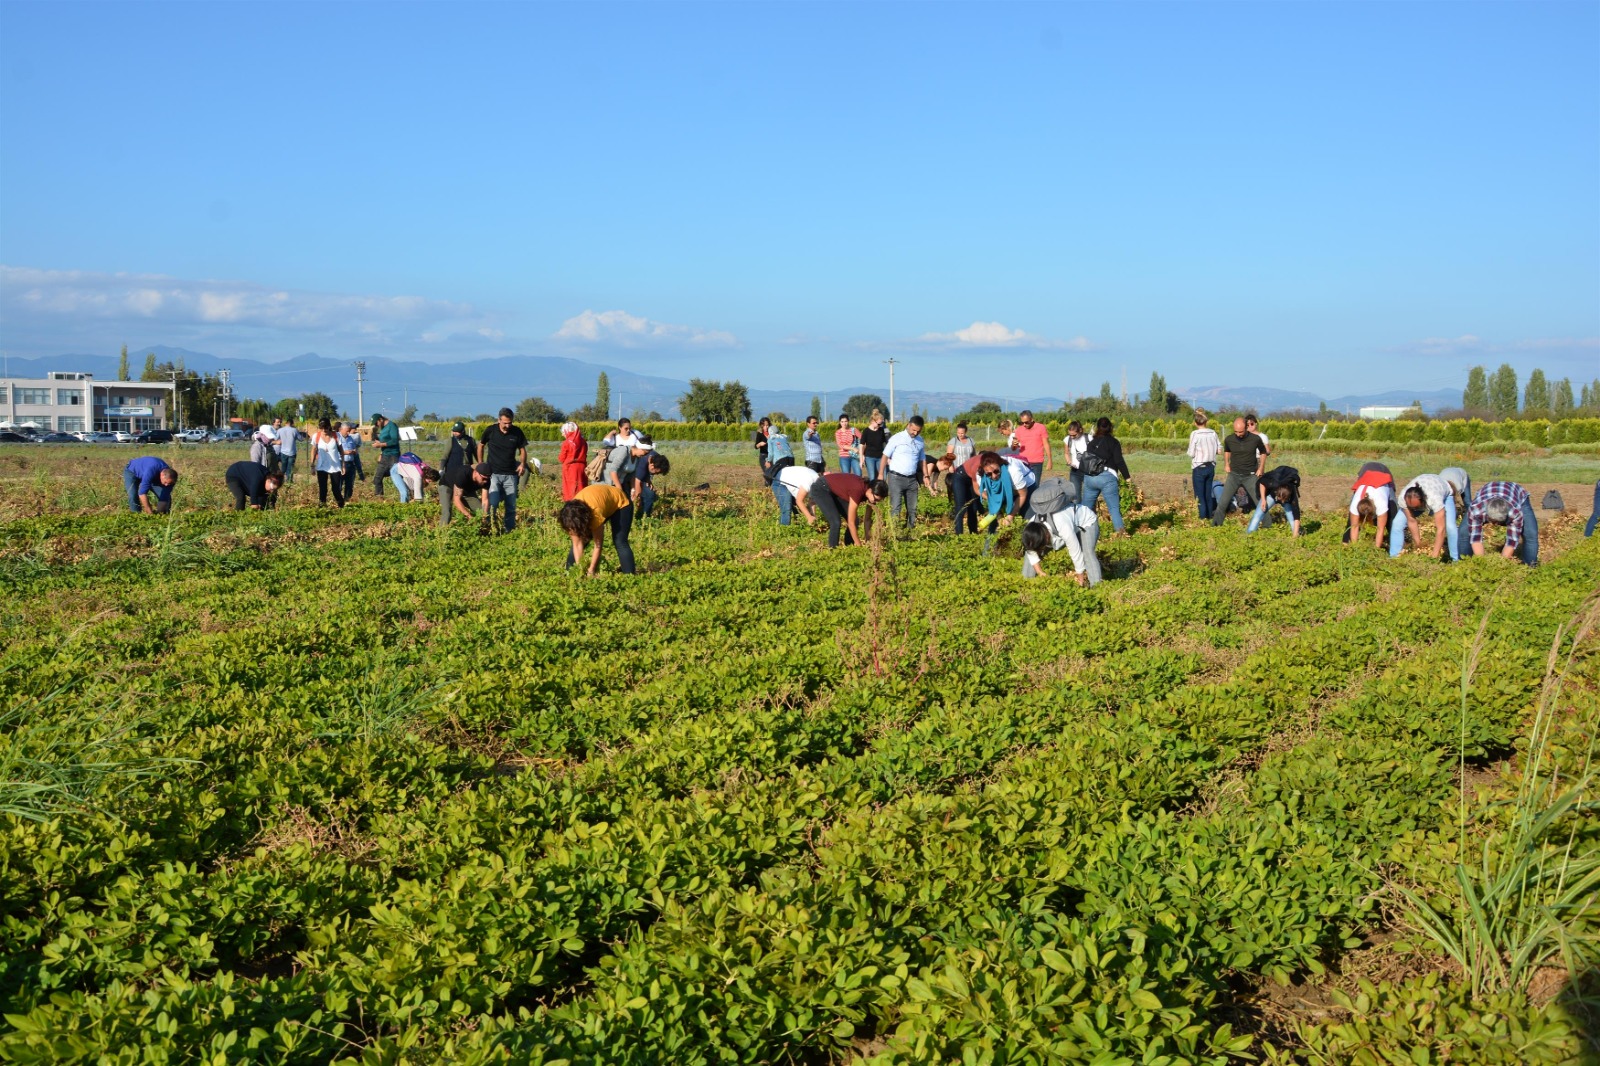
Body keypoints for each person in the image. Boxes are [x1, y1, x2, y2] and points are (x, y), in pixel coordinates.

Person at [558, 483, 635, 576]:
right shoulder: (569, 516)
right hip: (600, 501)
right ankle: (570, 574)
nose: (572, 531)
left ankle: (630, 576)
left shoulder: (595, 514)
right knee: (582, 539)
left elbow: (598, 545)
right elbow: (577, 545)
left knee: (620, 541)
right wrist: (580, 569)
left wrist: (591, 570)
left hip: (621, 503)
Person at [1021, 503, 1102, 586]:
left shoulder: (1061, 523)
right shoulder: (1031, 527)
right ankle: (1027, 586)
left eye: (1042, 547)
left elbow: (1075, 551)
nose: (1041, 550)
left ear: (1046, 537)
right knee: (1031, 551)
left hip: (1085, 523)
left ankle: (1096, 587)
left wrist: (1080, 578)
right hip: (1060, 530)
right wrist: (1039, 572)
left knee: (1087, 553)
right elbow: (1030, 550)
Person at [1463, 481, 1538, 565]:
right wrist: (1482, 563)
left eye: (1499, 522)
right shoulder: (1476, 510)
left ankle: (1530, 567)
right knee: (1463, 532)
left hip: (1517, 493)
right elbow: (1476, 539)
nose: (1496, 525)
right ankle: (1463, 564)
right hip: (1488, 490)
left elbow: (1512, 541)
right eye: (1493, 521)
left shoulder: (1515, 513)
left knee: (1531, 533)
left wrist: (1501, 564)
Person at [1393, 471, 1463, 560]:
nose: (1414, 510)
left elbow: (1441, 529)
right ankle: (1394, 557)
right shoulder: (1403, 498)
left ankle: (1455, 559)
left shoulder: (1434, 499)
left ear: (1423, 501)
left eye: (1416, 507)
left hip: (1444, 492)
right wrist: (1419, 544)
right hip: (1425, 486)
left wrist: (1434, 556)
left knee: (1450, 527)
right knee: (1397, 523)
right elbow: (1411, 520)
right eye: (1411, 508)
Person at [478, 407, 528, 532]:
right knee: (493, 503)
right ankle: (491, 528)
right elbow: (481, 445)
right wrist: (480, 464)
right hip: (493, 474)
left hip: (510, 474)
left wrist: (522, 464)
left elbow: (522, 449)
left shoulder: (517, 432)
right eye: (504, 423)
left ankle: (509, 529)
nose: (507, 426)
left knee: (511, 505)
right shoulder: (491, 430)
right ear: (499, 420)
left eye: (509, 423)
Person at [1079, 417, 1131, 535]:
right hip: (1107, 477)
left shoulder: (1091, 443)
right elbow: (1119, 461)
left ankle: (1081, 533)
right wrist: (1127, 477)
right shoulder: (1113, 442)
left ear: (1097, 427)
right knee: (1113, 508)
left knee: (1085, 508)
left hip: (1090, 477)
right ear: (1110, 427)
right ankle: (1120, 534)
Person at [1212, 418, 1265, 527]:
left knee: (1259, 501)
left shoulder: (1255, 439)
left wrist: (1261, 468)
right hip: (1234, 475)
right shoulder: (1229, 439)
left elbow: (1263, 452)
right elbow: (1227, 451)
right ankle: (1216, 526)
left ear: (1246, 428)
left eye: (1240, 432)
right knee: (1223, 502)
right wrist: (1226, 464)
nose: (1238, 434)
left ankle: (1267, 525)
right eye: (1236, 431)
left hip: (1250, 475)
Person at [882, 415, 926, 529]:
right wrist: (879, 474)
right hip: (896, 478)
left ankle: (910, 531)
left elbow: (922, 459)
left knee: (912, 508)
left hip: (912, 479)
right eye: (914, 430)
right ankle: (894, 532)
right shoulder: (897, 438)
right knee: (896, 506)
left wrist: (926, 475)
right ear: (908, 425)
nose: (915, 433)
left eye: (918, 431)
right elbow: (885, 456)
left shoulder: (920, 441)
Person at [822, 472, 885, 547]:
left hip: (836, 492)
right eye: (876, 500)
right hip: (822, 487)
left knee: (855, 521)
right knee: (836, 522)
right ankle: (833, 550)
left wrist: (868, 540)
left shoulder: (871, 496)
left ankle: (849, 546)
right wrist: (859, 546)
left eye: (878, 501)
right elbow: (850, 522)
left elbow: (867, 519)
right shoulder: (858, 490)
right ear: (870, 490)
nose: (875, 502)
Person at [1345, 462, 1396, 548]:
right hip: (1366, 476)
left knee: (1393, 516)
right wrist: (1354, 548)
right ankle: (1345, 542)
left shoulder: (1381, 503)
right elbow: (1354, 527)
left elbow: (1380, 529)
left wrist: (1376, 549)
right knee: (1351, 520)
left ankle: (1395, 544)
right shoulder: (1355, 504)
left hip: (1383, 478)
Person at [1247, 465, 1301, 536]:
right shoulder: (1273, 484)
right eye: (1280, 499)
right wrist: (1263, 500)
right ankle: (1249, 536)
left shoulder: (1292, 495)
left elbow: (1296, 517)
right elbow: (1262, 483)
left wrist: (1294, 538)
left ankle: (1297, 535)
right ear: (1277, 493)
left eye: (1284, 500)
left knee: (1291, 517)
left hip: (1285, 497)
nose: (1282, 502)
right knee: (1258, 515)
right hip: (1271, 496)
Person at [1186, 410, 1221, 519]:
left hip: (1199, 467)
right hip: (1211, 466)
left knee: (1199, 496)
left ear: (1195, 423)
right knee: (1208, 494)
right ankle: (1210, 516)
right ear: (1206, 422)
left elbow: (1191, 453)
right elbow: (1219, 449)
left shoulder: (1195, 434)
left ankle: (1202, 519)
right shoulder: (1213, 433)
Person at [763, 423, 797, 524]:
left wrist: (768, 461)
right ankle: (795, 509)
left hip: (781, 460)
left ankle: (786, 504)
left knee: (779, 480)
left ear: (770, 432)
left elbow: (771, 453)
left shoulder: (771, 439)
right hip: (791, 459)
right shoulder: (783, 437)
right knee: (789, 481)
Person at [439, 462, 491, 527]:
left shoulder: (487, 481)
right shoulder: (463, 474)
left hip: (465, 489)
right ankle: (441, 532)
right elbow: (456, 500)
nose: (485, 481)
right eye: (483, 478)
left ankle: (485, 532)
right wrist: (469, 516)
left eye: (487, 479)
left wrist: (484, 516)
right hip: (447, 485)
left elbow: (485, 500)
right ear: (476, 472)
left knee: (480, 510)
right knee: (447, 513)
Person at [629, 436, 670, 517]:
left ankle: (645, 516)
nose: (655, 474)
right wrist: (638, 498)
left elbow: (647, 472)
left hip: (640, 476)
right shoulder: (644, 461)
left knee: (650, 495)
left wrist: (648, 479)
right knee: (642, 496)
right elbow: (637, 482)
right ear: (652, 466)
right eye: (656, 473)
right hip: (630, 476)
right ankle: (637, 515)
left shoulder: (657, 458)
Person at [309, 418, 346, 508]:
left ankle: (341, 505)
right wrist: (312, 465)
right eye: (322, 428)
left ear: (329, 426)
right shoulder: (316, 436)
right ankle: (322, 507)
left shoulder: (336, 436)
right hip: (322, 466)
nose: (324, 430)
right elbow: (313, 450)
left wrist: (343, 465)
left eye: (326, 427)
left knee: (336, 489)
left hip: (335, 467)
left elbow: (341, 451)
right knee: (323, 489)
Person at [1013, 410, 1052, 484]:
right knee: (1023, 484)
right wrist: (1014, 445)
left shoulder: (1041, 428)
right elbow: (1014, 448)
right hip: (1023, 462)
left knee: (1035, 485)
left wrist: (1050, 460)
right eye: (1022, 422)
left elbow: (1046, 444)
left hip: (1037, 462)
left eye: (1026, 422)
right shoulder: (1019, 430)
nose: (1024, 424)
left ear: (1032, 419)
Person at [949, 450, 982, 534]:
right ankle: (959, 535)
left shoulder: (989, 467)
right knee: (960, 507)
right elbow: (977, 489)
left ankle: (973, 532)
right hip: (959, 477)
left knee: (973, 506)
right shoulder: (977, 465)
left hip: (971, 479)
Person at [370, 414, 401, 496]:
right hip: (384, 455)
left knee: (399, 477)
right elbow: (383, 441)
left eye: (376, 423)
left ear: (380, 419)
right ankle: (379, 498)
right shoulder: (383, 428)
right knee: (377, 478)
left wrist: (381, 445)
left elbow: (394, 441)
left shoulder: (392, 426)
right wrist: (380, 451)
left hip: (393, 456)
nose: (376, 425)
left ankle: (406, 494)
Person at [558, 421, 588, 501]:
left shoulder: (567, 443)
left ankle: (571, 507)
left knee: (571, 490)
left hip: (570, 468)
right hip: (582, 467)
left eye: (563, 432)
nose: (562, 434)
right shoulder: (583, 442)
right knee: (581, 488)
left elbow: (562, 458)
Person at [1002, 451, 1037, 516]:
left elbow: (1022, 495)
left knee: (1027, 514)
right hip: (1012, 487)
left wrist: (1011, 515)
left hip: (1027, 486)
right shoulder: (984, 473)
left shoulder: (1013, 471)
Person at [1062, 420, 1090, 498]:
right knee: (1075, 496)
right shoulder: (1067, 439)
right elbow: (1066, 453)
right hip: (1075, 471)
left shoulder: (1088, 438)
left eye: (1074, 435)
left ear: (1080, 430)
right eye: (1070, 435)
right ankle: (1076, 509)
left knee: (1088, 496)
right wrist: (1068, 461)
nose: (1072, 437)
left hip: (1088, 471)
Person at [860, 410, 888, 481]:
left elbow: (887, 443)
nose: (880, 426)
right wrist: (861, 458)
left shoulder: (882, 430)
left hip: (880, 457)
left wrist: (888, 457)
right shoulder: (866, 431)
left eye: (881, 424)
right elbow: (861, 445)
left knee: (883, 477)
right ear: (873, 421)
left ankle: (881, 491)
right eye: (878, 424)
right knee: (872, 477)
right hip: (869, 457)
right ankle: (872, 491)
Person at [340, 421, 364, 500]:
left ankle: (347, 500)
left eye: (349, 431)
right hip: (340, 464)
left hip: (350, 464)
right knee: (339, 484)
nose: (348, 432)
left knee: (349, 485)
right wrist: (345, 452)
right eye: (347, 431)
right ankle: (339, 501)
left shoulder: (350, 438)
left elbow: (355, 451)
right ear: (341, 429)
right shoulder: (337, 438)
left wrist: (354, 452)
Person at [275, 417, 299, 483]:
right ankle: (289, 481)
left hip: (283, 452)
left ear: (286, 423)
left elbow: (276, 438)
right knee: (290, 468)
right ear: (292, 424)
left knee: (283, 468)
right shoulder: (294, 430)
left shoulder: (280, 430)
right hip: (292, 452)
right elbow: (300, 438)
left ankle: (279, 481)